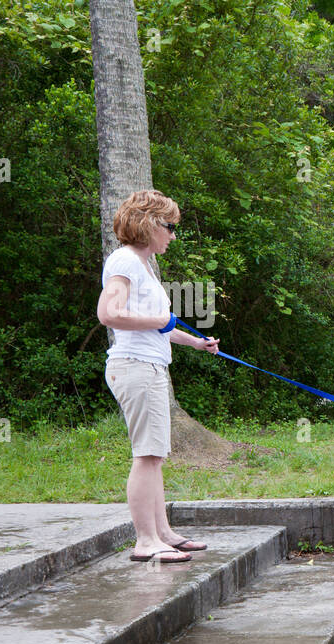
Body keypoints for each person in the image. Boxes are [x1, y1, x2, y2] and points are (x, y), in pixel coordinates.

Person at [96, 189, 219, 563]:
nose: (173, 235)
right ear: (149, 224)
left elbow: (159, 327)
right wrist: (160, 320)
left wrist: (196, 343)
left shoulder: (144, 264)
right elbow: (108, 313)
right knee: (146, 455)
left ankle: (163, 532)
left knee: (155, 456)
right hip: (135, 367)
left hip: (148, 366)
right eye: (169, 226)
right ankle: (145, 541)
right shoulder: (126, 260)